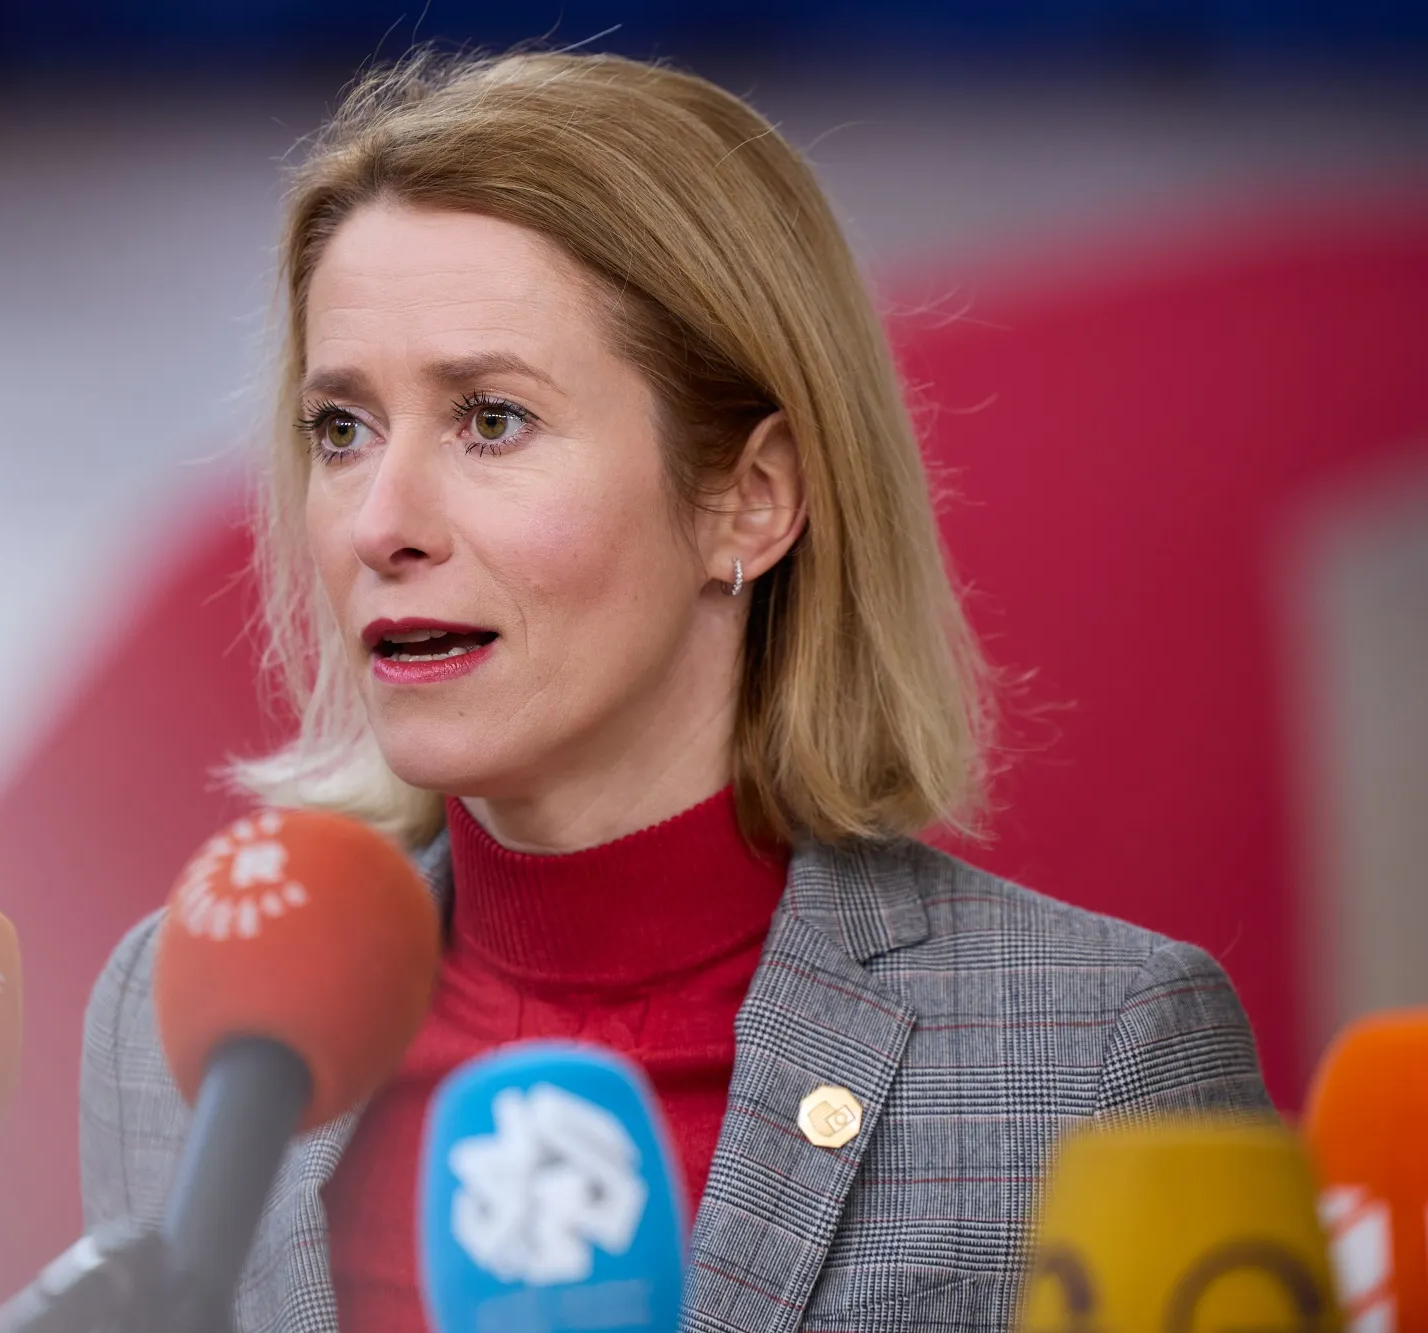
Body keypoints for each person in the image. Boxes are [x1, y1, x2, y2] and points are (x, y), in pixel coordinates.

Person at [79, 48, 1270, 1332]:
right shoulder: (185, 1025)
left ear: (749, 498)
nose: (380, 522)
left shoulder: (1098, 1054)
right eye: (341, 428)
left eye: (490, 419)